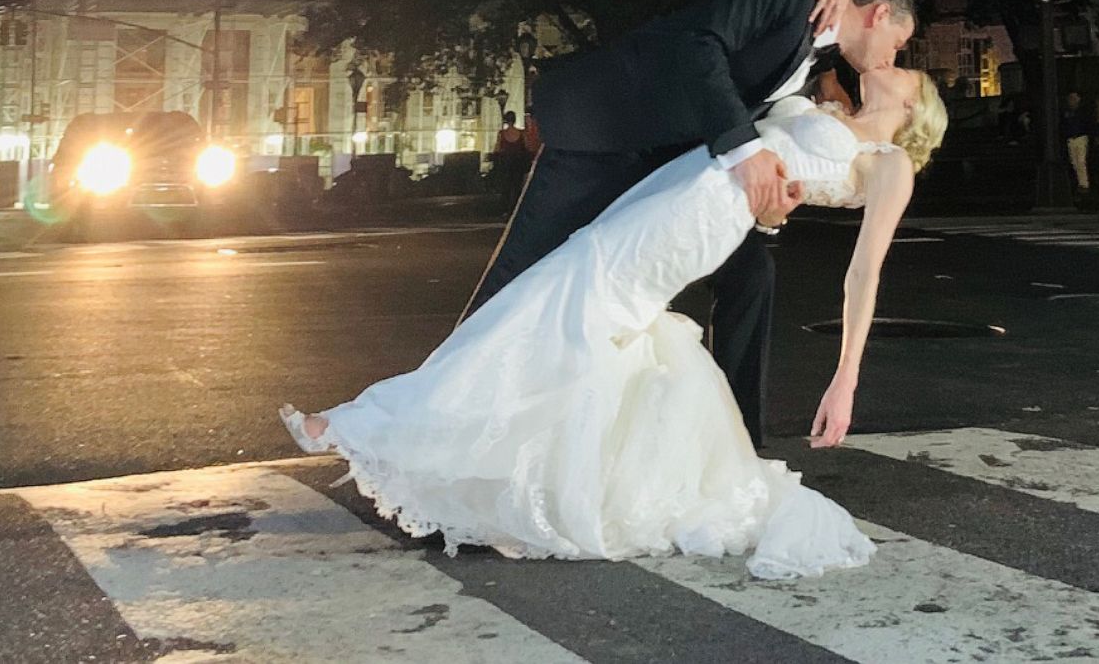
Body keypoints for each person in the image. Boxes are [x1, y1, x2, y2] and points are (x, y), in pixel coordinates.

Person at [281, 65, 948, 579]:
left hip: (703, 213)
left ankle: (370, 422)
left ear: (915, 104)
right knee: (567, 305)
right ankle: (466, 452)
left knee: (561, 301)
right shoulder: (829, 108)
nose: (893, 65)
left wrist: (845, 380)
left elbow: (864, 272)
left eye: (907, 69)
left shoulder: (891, 166)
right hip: (686, 182)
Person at [460, 0, 914, 447]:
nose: (894, 57)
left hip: (675, 177)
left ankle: (737, 441)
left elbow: (779, 142)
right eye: (899, 43)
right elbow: (698, 43)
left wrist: (772, 214)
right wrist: (745, 152)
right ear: (880, 13)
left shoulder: (815, 64)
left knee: (752, 275)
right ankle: (437, 411)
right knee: (520, 278)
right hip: (610, 132)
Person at [489, 111, 531, 209]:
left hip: (506, 163)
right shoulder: (521, 133)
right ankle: (516, 207)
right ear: (515, 120)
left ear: (506, 121)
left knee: (506, 186)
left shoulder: (502, 134)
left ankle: (505, 207)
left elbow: (497, 148)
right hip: (518, 163)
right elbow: (527, 147)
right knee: (517, 186)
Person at [1060, 91, 1092, 197]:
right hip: (1071, 138)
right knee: (1074, 161)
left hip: (1080, 137)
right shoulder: (1066, 112)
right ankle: (1080, 181)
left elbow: (1086, 123)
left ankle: (1084, 183)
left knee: (1081, 160)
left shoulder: (1082, 111)